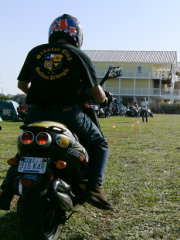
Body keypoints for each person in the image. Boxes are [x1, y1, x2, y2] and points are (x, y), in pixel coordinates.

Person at [0, 14, 113, 210]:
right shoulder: (79, 55)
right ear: (76, 35)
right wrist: (103, 99)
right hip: (67, 114)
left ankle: (6, 191)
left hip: (35, 114)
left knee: (27, 149)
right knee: (100, 144)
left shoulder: (36, 52)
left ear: (53, 31)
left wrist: (40, 93)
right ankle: (94, 188)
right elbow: (97, 93)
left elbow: (21, 84)